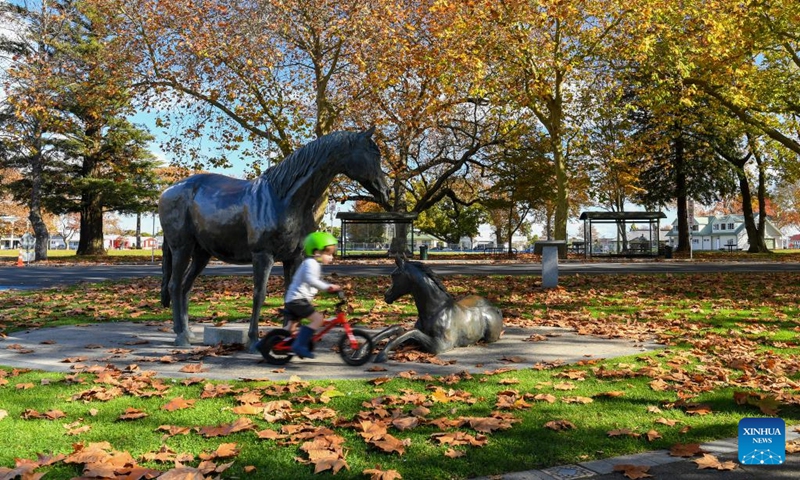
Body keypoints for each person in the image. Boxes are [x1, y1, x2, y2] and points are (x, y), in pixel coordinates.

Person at [284, 231, 342, 359]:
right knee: (318, 319)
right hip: (298, 300)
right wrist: (328, 287)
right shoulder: (311, 264)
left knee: (291, 328)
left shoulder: (312, 263)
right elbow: (312, 281)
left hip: (294, 299)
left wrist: (329, 289)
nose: (331, 257)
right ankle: (299, 346)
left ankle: (267, 344)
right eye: (328, 254)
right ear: (317, 252)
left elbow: (312, 283)